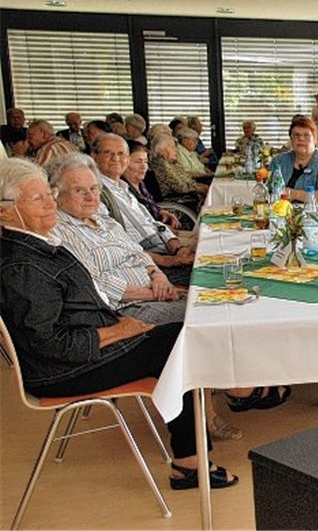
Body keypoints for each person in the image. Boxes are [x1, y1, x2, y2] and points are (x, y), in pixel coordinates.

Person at [0, 159, 238, 491]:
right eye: (37, 198)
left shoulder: (38, 244)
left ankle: (190, 459)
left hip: (88, 343)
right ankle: (191, 461)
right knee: (178, 341)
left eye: (48, 194)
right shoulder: (23, 265)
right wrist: (119, 329)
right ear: (5, 212)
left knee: (176, 339)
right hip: (61, 370)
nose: (50, 203)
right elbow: (49, 344)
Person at [47, 153, 188, 326]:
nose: (91, 197)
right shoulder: (59, 231)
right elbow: (94, 282)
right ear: (56, 194)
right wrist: (154, 293)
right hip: (127, 310)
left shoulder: (102, 218)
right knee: (206, 316)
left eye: (93, 188)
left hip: (156, 293)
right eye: (79, 191)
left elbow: (137, 251)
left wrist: (158, 275)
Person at [92, 134, 193, 282]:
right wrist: (167, 261)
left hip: (164, 249)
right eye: (108, 153)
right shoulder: (97, 193)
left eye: (121, 154)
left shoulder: (123, 188)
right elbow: (117, 246)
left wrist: (178, 248)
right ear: (94, 156)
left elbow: (154, 224)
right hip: (146, 263)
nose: (116, 158)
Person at [268, 116, 318, 205]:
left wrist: (294, 194)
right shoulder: (278, 161)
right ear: (291, 140)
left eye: (306, 135)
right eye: (296, 135)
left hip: (315, 215)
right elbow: (268, 191)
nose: (301, 139)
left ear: (315, 139)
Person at [150, 133, 206, 212]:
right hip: (176, 200)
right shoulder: (161, 164)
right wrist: (198, 188)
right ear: (161, 150)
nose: (176, 149)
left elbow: (186, 178)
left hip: (187, 195)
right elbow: (179, 187)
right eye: (172, 147)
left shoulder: (172, 161)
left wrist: (198, 186)